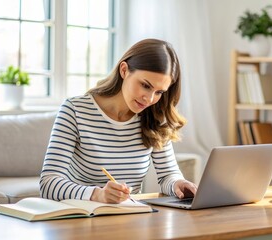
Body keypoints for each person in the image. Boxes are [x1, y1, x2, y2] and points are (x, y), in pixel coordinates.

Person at [40, 38, 197, 204]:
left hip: (130, 218)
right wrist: (97, 194)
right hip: (81, 217)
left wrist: (178, 183)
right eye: (145, 85)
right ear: (124, 70)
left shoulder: (154, 117)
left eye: (159, 92)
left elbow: (168, 175)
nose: (150, 98)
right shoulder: (75, 110)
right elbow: (48, 183)